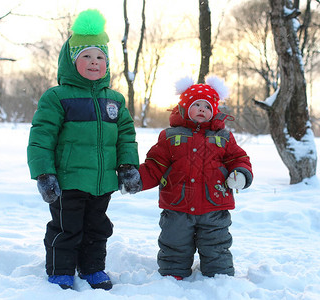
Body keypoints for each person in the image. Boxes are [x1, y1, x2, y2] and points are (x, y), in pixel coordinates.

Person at [27, 9, 141, 290]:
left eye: (100, 57)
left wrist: (127, 166)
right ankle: (60, 270)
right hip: (68, 181)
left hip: (102, 182)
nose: (94, 63)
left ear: (107, 63)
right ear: (71, 61)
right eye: (86, 57)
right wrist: (44, 173)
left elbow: (126, 135)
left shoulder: (115, 99)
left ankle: (92, 269)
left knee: (97, 228)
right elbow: (41, 137)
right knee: (67, 228)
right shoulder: (58, 97)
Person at [133, 76, 253, 279]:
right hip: (177, 205)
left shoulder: (223, 137)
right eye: (196, 104)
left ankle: (219, 275)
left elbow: (239, 158)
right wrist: (137, 179)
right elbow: (156, 165)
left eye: (206, 106)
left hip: (214, 205)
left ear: (214, 111)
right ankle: (173, 273)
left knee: (216, 243)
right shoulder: (170, 136)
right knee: (174, 241)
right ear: (184, 107)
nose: (201, 109)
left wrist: (240, 173)